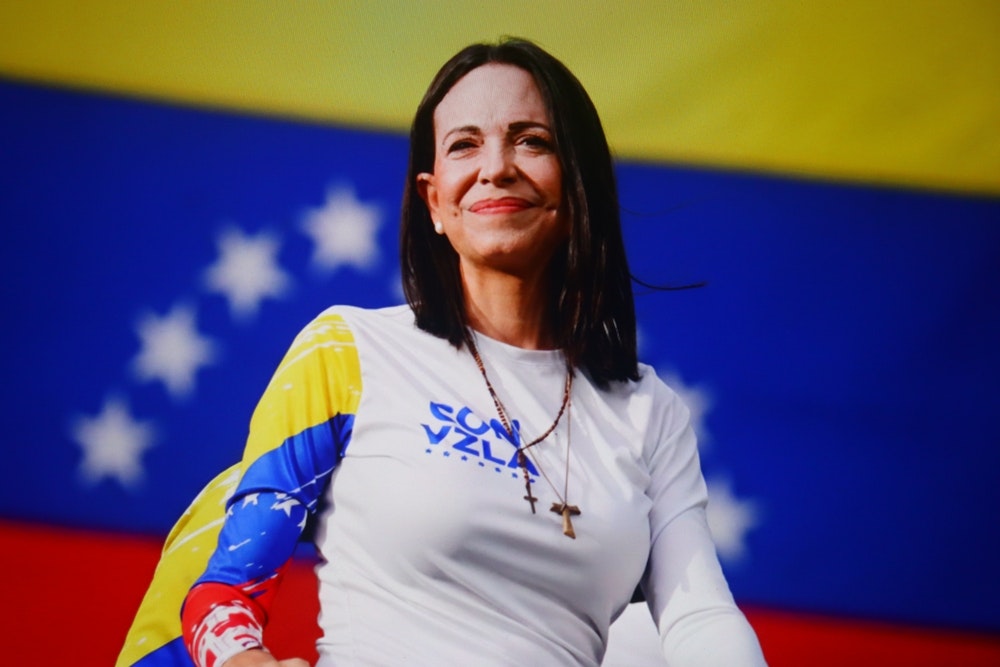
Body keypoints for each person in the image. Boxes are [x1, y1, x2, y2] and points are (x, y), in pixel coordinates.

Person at [118, 37, 767, 667]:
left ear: (576, 189)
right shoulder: (349, 349)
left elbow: (699, 617)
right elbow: (223, 591)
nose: (496, 166)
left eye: (531, 140)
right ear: (434, 201)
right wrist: (244, 661)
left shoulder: (650, 411)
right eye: (465, 145)